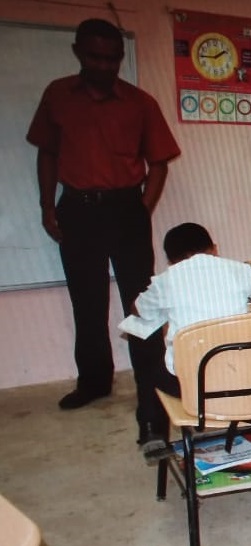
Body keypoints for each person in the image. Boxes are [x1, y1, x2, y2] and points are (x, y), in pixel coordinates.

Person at [25, 19, 181, 444]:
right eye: (95, 56)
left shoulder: (140, 103)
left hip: (125, 208)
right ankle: (94, 381)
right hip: (76, 208)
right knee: (87, 301)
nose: (104, 65)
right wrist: (46, 207)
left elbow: (160, 163)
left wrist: (142, 209)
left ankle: (150, 394)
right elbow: (47, 154)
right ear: (79, 53)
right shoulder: (58, 95)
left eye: (112, 58)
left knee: (141, 306)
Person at [129, 223, 251, 442]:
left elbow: (137, 310)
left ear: (171, 261)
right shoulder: (237, 269)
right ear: (215, 249)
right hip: (245, 380)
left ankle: (152, 430)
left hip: (192, 389)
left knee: (142, 341)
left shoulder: (166, 280)